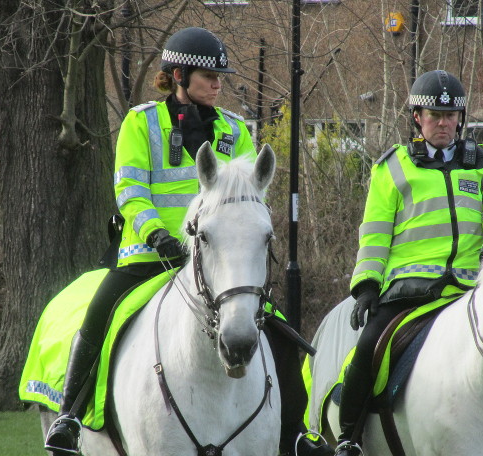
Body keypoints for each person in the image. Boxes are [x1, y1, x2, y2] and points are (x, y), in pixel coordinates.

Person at [45, 27, 330, 456]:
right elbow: (130, 192)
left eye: (219, 77)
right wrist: (157, 234)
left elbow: (249, 196)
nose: (217, 84)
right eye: (207, 76)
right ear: (178, 74)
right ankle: (68, 417)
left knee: (279, 332)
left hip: (219, 262)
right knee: (101, 314)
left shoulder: (236, 130)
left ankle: (295, 433)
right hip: (149, 256)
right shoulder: (141, 123)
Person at [333, 70, 483, 456]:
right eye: (435, 115)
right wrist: (366, 285)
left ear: (460, 119)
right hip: (409, 290)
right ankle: (348, 438)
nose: (444, 123)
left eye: (451, 116)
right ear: (417, 117)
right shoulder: (392, 167)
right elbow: (375, 233)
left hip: (470, 288)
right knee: (369, 348)